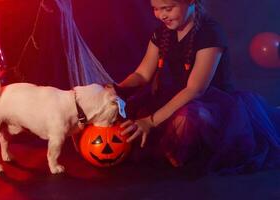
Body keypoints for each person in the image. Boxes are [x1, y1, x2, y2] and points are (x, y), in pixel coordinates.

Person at [116, 0, 280, 174]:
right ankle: (173, 149)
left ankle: (185, 152)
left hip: (213, 104)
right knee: (131, 113)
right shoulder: (162, 33)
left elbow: (195, 89)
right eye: (155, 9)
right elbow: (142, 74)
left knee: (187, 119)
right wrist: (118, 88)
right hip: (177, 97)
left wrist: (151, 121)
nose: (161, 15)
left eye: (167, 9)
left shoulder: (210, 33)